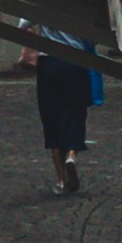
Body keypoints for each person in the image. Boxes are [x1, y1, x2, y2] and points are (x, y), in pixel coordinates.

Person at [33, 26, 103, 197]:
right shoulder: (80, 6)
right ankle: (71, 155)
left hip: (48, 63)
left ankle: (61, 181)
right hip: (75, 62)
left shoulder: (42, 2)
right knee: (75, 114)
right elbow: (92, 38)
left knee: (51, 119)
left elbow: (22, 24)